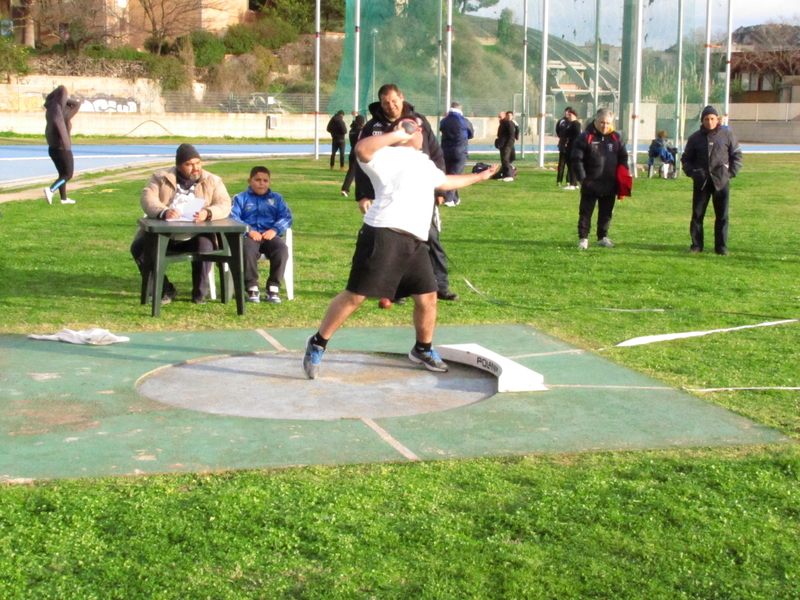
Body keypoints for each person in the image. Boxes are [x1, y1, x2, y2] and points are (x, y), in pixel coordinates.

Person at [302, 117, 498, 380]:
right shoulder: (385, 155)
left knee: (428, 297)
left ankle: (422, 349)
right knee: (357, 295)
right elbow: (361, 150)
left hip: (415, 241)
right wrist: (397, 134)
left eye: (418, 127)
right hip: (383, 234)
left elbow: (445, 182)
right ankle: (317, 342)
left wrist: (480, 176)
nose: (418, 130)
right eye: (412, 126)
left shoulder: (423, 161)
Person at [354, 83, 459, 302]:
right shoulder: (373, 126)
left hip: (420, 191)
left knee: (431, 237)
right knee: (394, 244)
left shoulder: (419, 122)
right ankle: (396, 290)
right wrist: (363, 194)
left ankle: (440, 285)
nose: (391, 106)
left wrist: (439, 188)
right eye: (385, 103)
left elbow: (436, 153)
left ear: (401, 98)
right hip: (390, 197)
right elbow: (362, 161)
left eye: (394, 101)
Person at [130, 144, 231, 304]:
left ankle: (199, 294)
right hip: (165, 234)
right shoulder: (160, 177)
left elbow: (224, 204)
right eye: (189, 164)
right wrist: (163, 211)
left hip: (197, 234)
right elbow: (147, 198)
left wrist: (207, 213)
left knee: (205, 246)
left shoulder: (213, 180)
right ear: (178, 165)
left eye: (197, 163)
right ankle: (164, 289)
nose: (195, 168)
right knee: (139, 247)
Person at [681, 105, 743, 255]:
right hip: (701, 182)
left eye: (712, 118)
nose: (709, 121)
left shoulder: (727, 135)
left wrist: (730, 173)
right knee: (697, 215)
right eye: (706, 119)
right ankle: (696, 245)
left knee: (722, 216)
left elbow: (737, 156)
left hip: (721, 181)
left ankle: (721, 247)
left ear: (717, 119)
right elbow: (686, 159)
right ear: (702, 120)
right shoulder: (695, 138)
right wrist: (693, 173)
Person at [230, 166, 293, 304]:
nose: (261, 183)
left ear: (269, 182)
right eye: (257, 180)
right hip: (250, 237)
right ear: (249, 181)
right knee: (247, 249)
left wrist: (275, 230)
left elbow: (287, 217)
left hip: (270, 236)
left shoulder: (276, 198)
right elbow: (233, 217)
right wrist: (248, 230)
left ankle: (273, 288)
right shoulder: (240, 198)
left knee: (282, 249)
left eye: (265, 180)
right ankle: (252, 287)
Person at [571, 108, 629, 250]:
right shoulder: (585, 136)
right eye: (602, 122)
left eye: (608, 123)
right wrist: (582, 178)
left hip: (610, 182)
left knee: (606, 212)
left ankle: (602, 237)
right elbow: (576, 159)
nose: (605, 126)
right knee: (586, 212)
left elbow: (623, 158)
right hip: (590, 182)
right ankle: (583, 238)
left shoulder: (616, 137)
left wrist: (623, 177)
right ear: (595, 121)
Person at [43, 85, 82, 205]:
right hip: (63, 148)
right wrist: (63, 100)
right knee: (68, 174)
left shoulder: (51, 111)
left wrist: (56, 99)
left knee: (62, 174)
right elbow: (77, 104)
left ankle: (63, 198)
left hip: (53, 148)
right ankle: (51, 190)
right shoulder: (64, 115)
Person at [438, 101, 474, 207]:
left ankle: (455, 198)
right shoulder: (464, 121)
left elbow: (441, 129)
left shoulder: (444, 121)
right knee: (456, 175)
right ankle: (449, 199)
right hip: (460, 151)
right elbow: (471, 134)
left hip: (445, 150)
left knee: (448, 174)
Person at [341, 114, 365, 197]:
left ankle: (345, 188)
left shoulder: (352, 130)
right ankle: (362, 191)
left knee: (351, 171)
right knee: (362, 172)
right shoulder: (360, 130)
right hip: (358, 152)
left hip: (352, 151)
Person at [557, 108, 581, 189]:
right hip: (569, 147)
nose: (569, 116)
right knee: (571, 165)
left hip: (573, 147)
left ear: (575, 116)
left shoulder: (576, 124)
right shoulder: (571, 124)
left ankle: (573, 184)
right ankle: (573, 183)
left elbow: (577, 136)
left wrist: (572, 143)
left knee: (572, 165)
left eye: (571, 115)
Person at [496, 111, 518, 180]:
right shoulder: (502, 123)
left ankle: (508, 175)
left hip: (507, 144)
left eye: (500, 116)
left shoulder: (508, 123)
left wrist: (508, 144)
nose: (499, 118)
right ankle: (502, 173)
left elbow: (511, 134)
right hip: (503, 144)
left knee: (506, 159)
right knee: (505, 160)